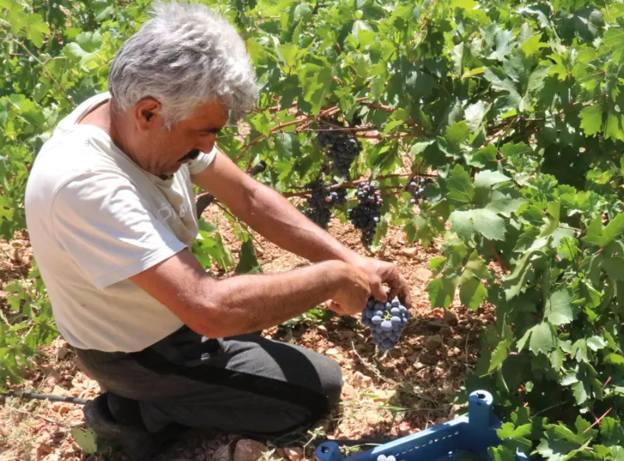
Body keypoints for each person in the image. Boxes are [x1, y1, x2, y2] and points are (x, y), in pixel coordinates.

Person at [23, 1, 410, 459]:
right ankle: (135, 414)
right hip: (137, 351)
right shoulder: (89, 185)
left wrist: (351, 261)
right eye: (202, 132)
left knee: (265, 328)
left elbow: (246, 195)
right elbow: (209, 310)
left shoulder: (133, 119)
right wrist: (334, 279)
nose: (208, 148)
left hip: (169, 317)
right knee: (313, 393)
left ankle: (168, 398)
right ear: (147, 113)